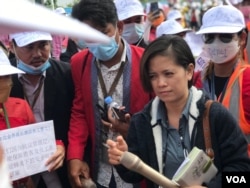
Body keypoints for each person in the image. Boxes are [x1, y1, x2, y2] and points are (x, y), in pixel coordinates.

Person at [106, 35, 250, 188]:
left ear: (189, 71)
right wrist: (123, 158)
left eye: (168, 74)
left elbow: (241, 173)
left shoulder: (215, 115)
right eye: (153, 76)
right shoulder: (142, 122)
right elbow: (134, 176)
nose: (161, 83)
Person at [67, 0, 152, 187]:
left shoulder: (146, 62)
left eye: (103, 32)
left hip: (137, 167)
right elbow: (80, 111)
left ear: (119, 27)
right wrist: (75, 155)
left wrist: (134, 131)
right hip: (100, 169)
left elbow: (158, 115)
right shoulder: (79, 63)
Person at [8, 31, 74, 188]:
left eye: (43, 45)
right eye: (29, 47)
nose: (37, 54)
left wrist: (66, 147)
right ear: (12, 47)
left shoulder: (67, 74)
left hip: (58, 165)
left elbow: (76, 120)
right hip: (19, 171)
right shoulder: (4, 78)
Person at [193, 5, 250, 155]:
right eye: (210, 37)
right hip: (209, 172)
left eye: (225, 36)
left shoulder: (247, 80)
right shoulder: (197, 79)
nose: (217, 43)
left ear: (242, 38)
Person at [0, 47, 35, 188]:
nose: (5, 83)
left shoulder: (21, 106)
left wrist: (58, 145)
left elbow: (36, 140)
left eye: (7, 76)